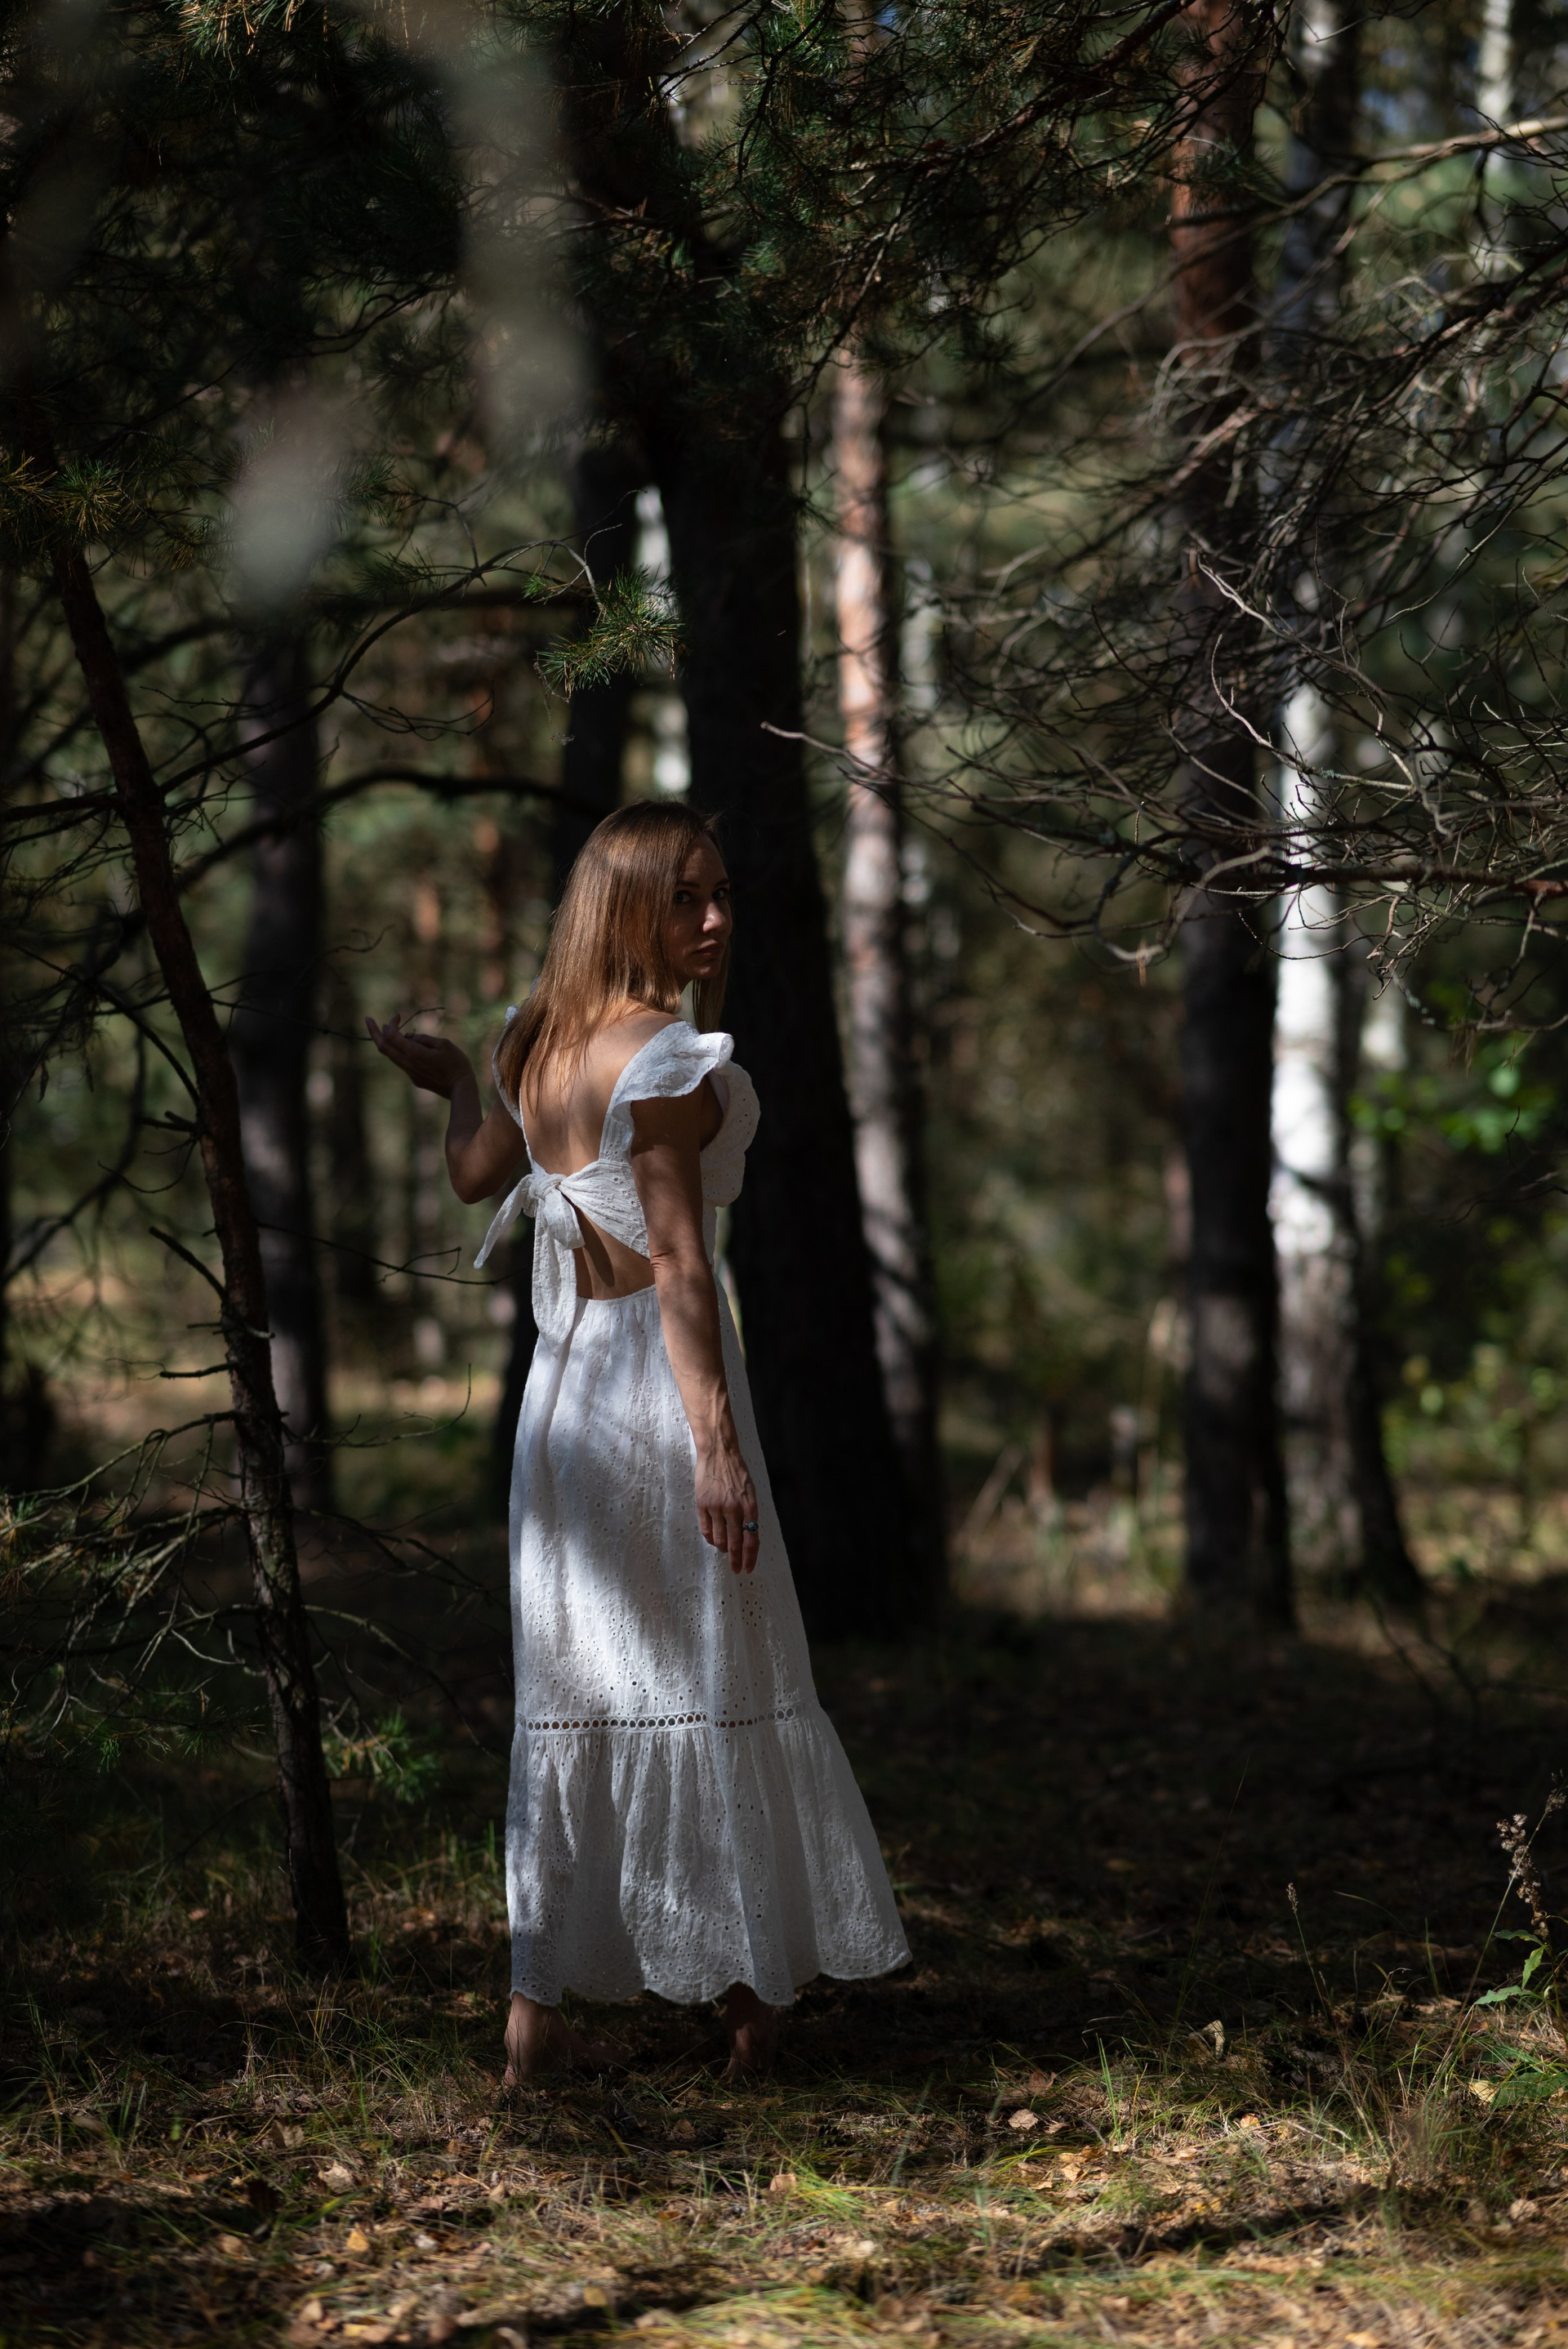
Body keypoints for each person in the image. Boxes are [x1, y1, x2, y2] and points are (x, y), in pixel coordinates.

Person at [369, 802, 909, 2081]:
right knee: (709, 1664)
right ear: (625, 906)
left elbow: (475, 1174)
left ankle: (536, 2023)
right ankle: (747, 2011)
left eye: (721, 894)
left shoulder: (537, 1035)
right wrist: (715, 1445)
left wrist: (460, 1083)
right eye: (686, 898)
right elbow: (679, 1262)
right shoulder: (661, 1058)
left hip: (562, 1401)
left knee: (579, 1684)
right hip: (656, 1388)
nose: (716, 919)